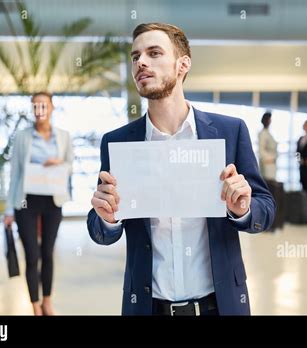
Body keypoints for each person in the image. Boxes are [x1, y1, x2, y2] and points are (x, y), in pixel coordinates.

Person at [87, 23, 275, 316]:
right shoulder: (118, 142)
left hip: (220, 305)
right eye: (135, 56)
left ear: (182, 64)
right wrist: (108, 219)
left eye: (154, 53)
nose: (141, 62)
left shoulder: (229, 131)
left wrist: (243, 210)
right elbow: (100, 231)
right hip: (149, 308)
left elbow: (266, 210)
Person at [4, 92, 74, 315]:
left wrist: (60, 163)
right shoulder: (23, 137)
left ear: (52, 108)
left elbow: (70, 165)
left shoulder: (63, 136)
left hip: (53, 200)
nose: (39, 109)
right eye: (35, 106)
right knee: (32, 255)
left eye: (43, 105)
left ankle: (47, 301)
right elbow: (15, 172)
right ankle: (34, 305)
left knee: (47, 252)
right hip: (26, 202)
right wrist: (8, 210)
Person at [258, 111, 277, 181]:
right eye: (269, 119)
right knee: (269, 184)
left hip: (271, 164)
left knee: (272, 184)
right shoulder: (262, 133)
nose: (270, 121)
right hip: (267, 164)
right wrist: (269, 160)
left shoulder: (268, 132)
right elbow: (261, 150)